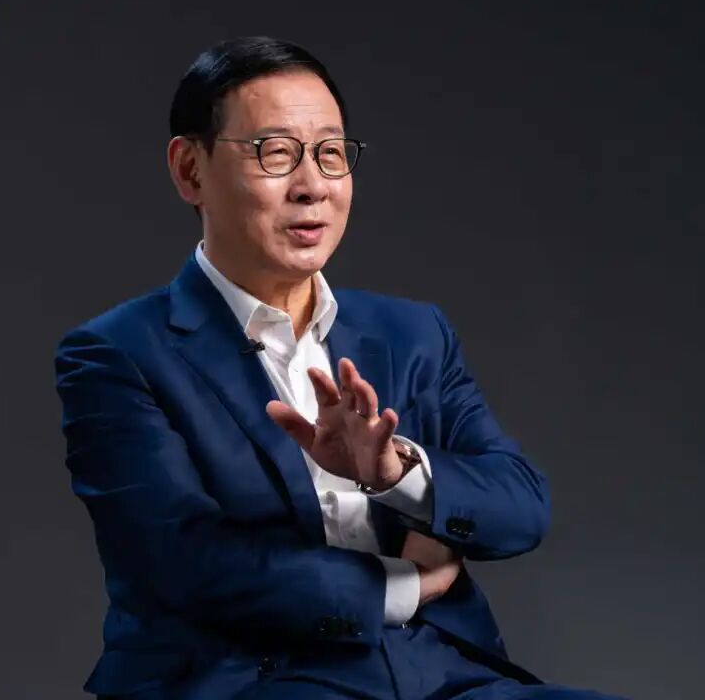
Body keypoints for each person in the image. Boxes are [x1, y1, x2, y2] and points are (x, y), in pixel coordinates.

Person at [54, 36, 621, 700]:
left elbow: (521, 506)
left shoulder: (413, 333)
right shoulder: (118, 353)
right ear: (190, 171)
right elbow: (184, 565)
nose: (312, 187)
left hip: (443, 677)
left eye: (329, 153)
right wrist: (406, 586)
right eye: (274, 152)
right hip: (254, 681)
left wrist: (397, 476)